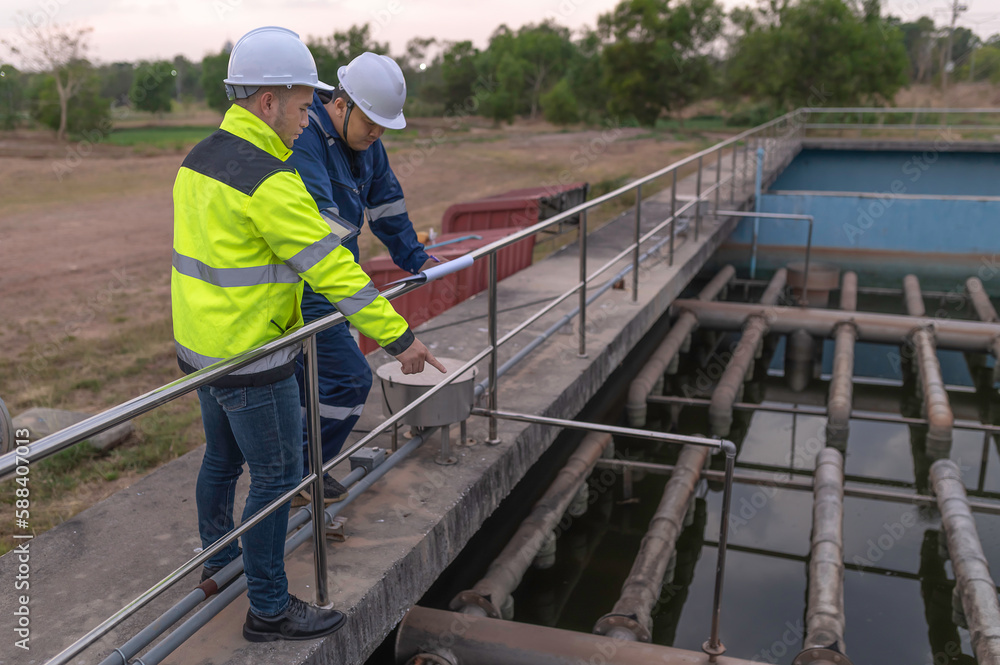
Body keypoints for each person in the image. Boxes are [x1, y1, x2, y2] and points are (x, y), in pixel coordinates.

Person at [171, 26, 444, 642]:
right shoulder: (271, 179)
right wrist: (400, 340)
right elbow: (333, 272)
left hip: (202, 350)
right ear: (268, 100)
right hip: (254, 354)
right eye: (301, 105)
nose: (306, 119)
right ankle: (268, 607)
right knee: (276, 479)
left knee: (221, 460)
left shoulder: (200, 158)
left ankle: (219, 561)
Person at [288, 51, 440, 505]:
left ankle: (297, 470)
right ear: (341, 104)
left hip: (337, 278)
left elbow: (387, 204)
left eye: (383, 127)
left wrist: (417, 259)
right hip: (307, 282)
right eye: (370, 123)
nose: (376, 134)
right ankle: (300, 475)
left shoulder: (366, 144)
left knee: (309, 382)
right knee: (349, 379)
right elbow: (320, 233)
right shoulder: (305, 138)